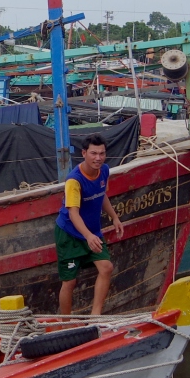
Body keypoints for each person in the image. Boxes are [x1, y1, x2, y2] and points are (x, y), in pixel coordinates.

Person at [55, 134, 124, 316]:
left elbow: (102, 196)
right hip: (70, 234)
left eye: (102, 153)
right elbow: (73, 213)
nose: (98, 158)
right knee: (70, 282)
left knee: (106, 267)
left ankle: (96, 315)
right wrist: (88, 236)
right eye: (93, 153)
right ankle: (66, 323)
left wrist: (114, 217)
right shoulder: (74, 180)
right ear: (84, 153)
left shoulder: (105, 171)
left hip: (92, 231)